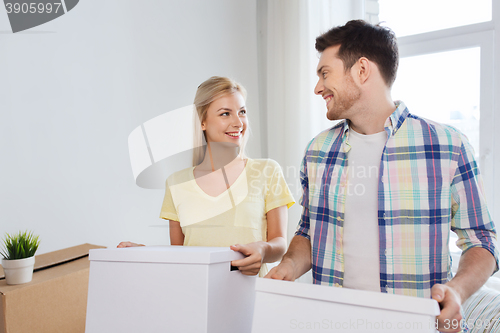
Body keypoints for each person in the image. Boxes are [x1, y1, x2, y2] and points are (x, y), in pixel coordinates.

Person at [265, 20, 498, 333]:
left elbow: (481, 240)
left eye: (325, 73)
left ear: (362, 70)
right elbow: (308, 231)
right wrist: (289, 266)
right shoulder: (317, 151)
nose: (318, 87)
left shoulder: (448, 146)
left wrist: (457, 290)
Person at [119, 76, 295, 277]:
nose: (238, 122)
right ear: (202, 122)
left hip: (254, 299)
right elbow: (179, 257)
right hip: (197, 298)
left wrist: (263, 251)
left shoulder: (267, 171)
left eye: (242, 112)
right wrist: (146, 253)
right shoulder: (176, 184)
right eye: (225, 114)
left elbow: (279, 243)